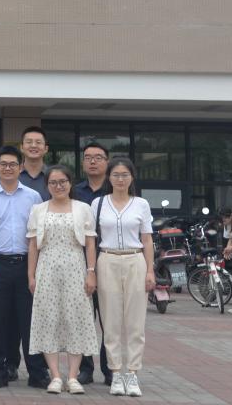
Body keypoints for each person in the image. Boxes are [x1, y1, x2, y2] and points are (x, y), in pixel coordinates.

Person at [0, 145, 49, 390]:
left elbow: (38, 234)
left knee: (30, 321)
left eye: (13, 164)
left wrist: (35, 270)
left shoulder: (33, 197)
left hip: (26, 265)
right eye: (3, 164)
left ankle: (37, 372)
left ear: (21, 167)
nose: (8, 168)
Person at [26, 165, 99, 395]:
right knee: (48, 319)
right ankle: (56, 376)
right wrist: (31, 275)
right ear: (47, 185)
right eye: (53, 182)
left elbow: (90, 243)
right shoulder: (38, 209)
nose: (58, 186)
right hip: (46, 268)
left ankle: (73, 377)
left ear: (70, 183)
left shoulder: (83, 208)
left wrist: (91, 271)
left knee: (76, 319)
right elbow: (32, 245)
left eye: (62, 182)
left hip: (76, 268)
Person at [92, 157, 155, 398]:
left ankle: (133, 373)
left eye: (124, 175)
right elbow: (91, 240)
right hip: (107, 260)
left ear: (132, 177)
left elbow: (147, 239)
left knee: (135, 322)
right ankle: (116, 373)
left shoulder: (141, 204)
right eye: (116, 175)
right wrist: (91, 270)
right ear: (108, 177)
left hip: (135, 260)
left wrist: (150, 270)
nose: (120, 179)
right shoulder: (98, 203)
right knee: (111, 322)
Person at [73, 141, 112, 386]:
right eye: (88, 157)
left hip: (109, 261)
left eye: (98, 157)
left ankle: (110, 368)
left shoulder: (116, 189)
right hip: (80, 263)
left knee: (109, 320)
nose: (93, 161)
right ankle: (85, 369)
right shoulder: (75, 191)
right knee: (83, 319)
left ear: (107, 161)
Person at [18, 126, 51, 201]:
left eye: (38, 142)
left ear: (46, 149)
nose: (33, 145)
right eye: (29, 142)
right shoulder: (12, 175)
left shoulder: (54, 176)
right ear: (21, 147)